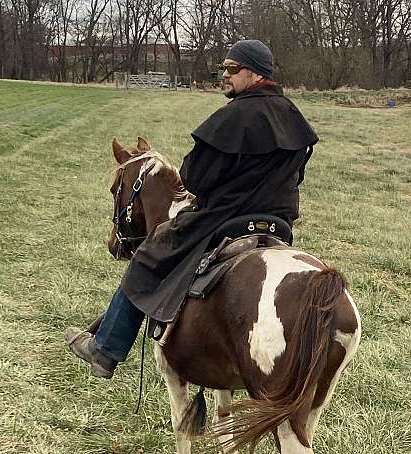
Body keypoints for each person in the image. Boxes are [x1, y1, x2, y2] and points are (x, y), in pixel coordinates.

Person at [65, 39, 318, 379]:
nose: (223, 76)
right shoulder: (293, 115)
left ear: (255, 73)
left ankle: (107, 348)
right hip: (278, 222)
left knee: (150, 254)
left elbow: (194, 179)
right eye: (223, 68)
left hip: (225, 218)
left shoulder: (234, 116)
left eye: (231, 69)